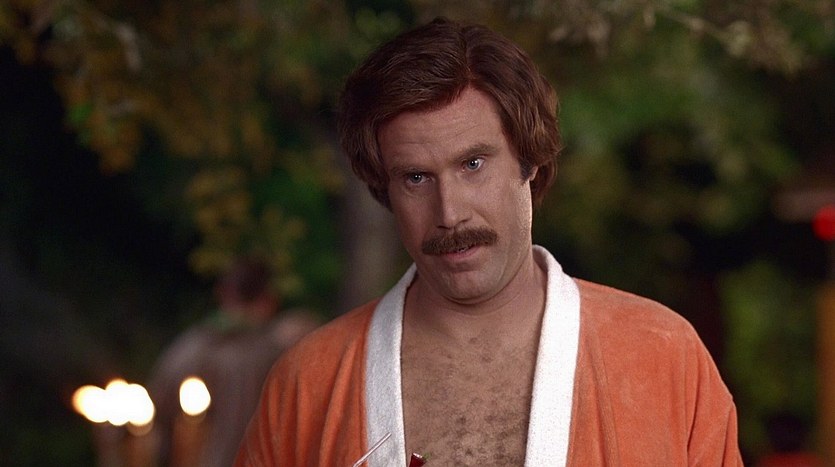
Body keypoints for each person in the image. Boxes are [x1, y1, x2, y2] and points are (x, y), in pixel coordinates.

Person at [236, 18, 742, 466]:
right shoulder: (308, 383)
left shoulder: (662, 357)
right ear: (384, 189)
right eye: (416, 178)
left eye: (472, 164)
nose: (450, 213)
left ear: (530, 160)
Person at [148, 256, 319, 467]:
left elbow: (156, 416)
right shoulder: (288, 350)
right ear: (269, 299)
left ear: (223, 293)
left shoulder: (189, 350)